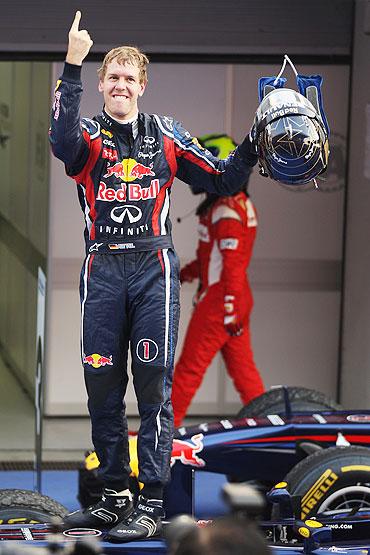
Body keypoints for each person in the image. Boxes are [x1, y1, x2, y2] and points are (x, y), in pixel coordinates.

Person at [49, 11, 258, 542]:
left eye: (128, 78)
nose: (119, 85)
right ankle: (112, 498)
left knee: (152, 388)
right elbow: (59, 139)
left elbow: (224, 176)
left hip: (152, 271)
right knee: (101, 385)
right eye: (111, 77)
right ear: (102, 86)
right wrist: (72, 63)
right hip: (102, 270)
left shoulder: (166, 136)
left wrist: (255, 138)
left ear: (142, 85)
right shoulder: (88, 138)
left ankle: (151, 502)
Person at [171, 134, 264, 427]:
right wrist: (180, 274)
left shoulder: (225, 210)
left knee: (188, 370)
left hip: (220, 302)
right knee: (245, 375)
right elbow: (210, 261)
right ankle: (273, 429)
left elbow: (231, 266)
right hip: (234, 299)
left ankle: (161, 434)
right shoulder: (237, 204)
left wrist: (228, 307)